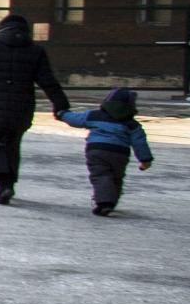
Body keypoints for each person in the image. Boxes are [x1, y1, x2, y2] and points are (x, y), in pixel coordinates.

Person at [0, 12, 71, 204]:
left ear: (1, 29)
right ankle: (7, 184)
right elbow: (48, 81)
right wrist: (61, 105)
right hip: (20, 109)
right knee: (12, 146)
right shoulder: (36, 51)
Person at [59, 87, 154, 216]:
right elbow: (140, 142)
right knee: (116, 177)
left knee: (101, 175)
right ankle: (111, 202)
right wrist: (145, 160)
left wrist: (62, 114)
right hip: (120, 153)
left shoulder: (94, 115)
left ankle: (104, 203)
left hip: (96, 150)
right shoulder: (132, 124)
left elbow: (75, 119)